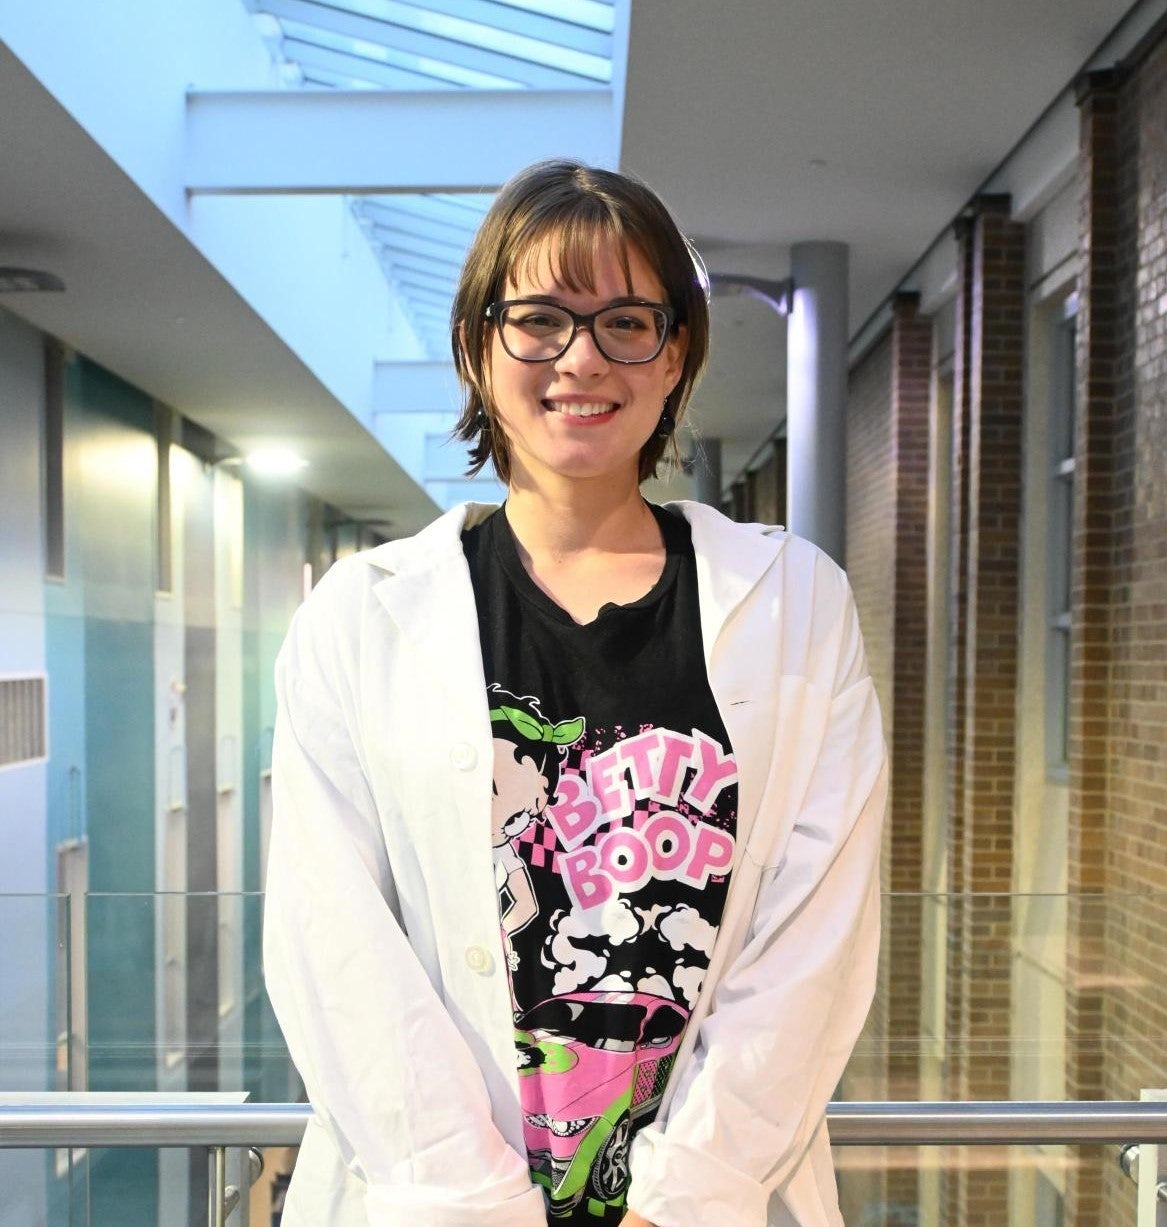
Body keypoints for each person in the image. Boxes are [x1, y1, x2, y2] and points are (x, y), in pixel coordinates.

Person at [264, 159, 887, 1227]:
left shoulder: (795, 601)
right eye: (539, 320)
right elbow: (332, 941)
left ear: (675, 352)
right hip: (438, 1201)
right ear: (478, 346)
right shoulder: (357, 619)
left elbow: (814, 941)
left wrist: (681, 1203)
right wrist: (469, 1200)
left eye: (626, 323)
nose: (582, 358)